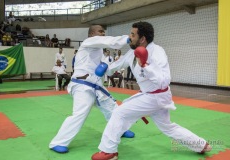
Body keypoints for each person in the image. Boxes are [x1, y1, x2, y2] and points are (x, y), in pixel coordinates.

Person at [91, 21, 212, 160]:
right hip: (150, 96)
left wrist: (146, 66)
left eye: (132, 34)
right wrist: (105, 68)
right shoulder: (132, 53)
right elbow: (117, 65)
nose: (129, 37)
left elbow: (163, 81)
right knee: (167, 127)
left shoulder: (158, 52)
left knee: (119, 112)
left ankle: (109, 151)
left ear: (142, 39)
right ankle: (200, 145)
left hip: (157, 96)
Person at [49, 24, 135, 154]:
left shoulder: (99, 51)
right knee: (80, 114)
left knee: (112, 109)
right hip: (82, 85)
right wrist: (128, 39)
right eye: (100, 31)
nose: (102, 34)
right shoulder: (88, 42)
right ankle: (58, 142)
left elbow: (106, 68)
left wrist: (125, 59)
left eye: (103, 32)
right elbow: (108, 41)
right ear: (91, 34)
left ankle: (121, 130)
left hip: (96, 86)